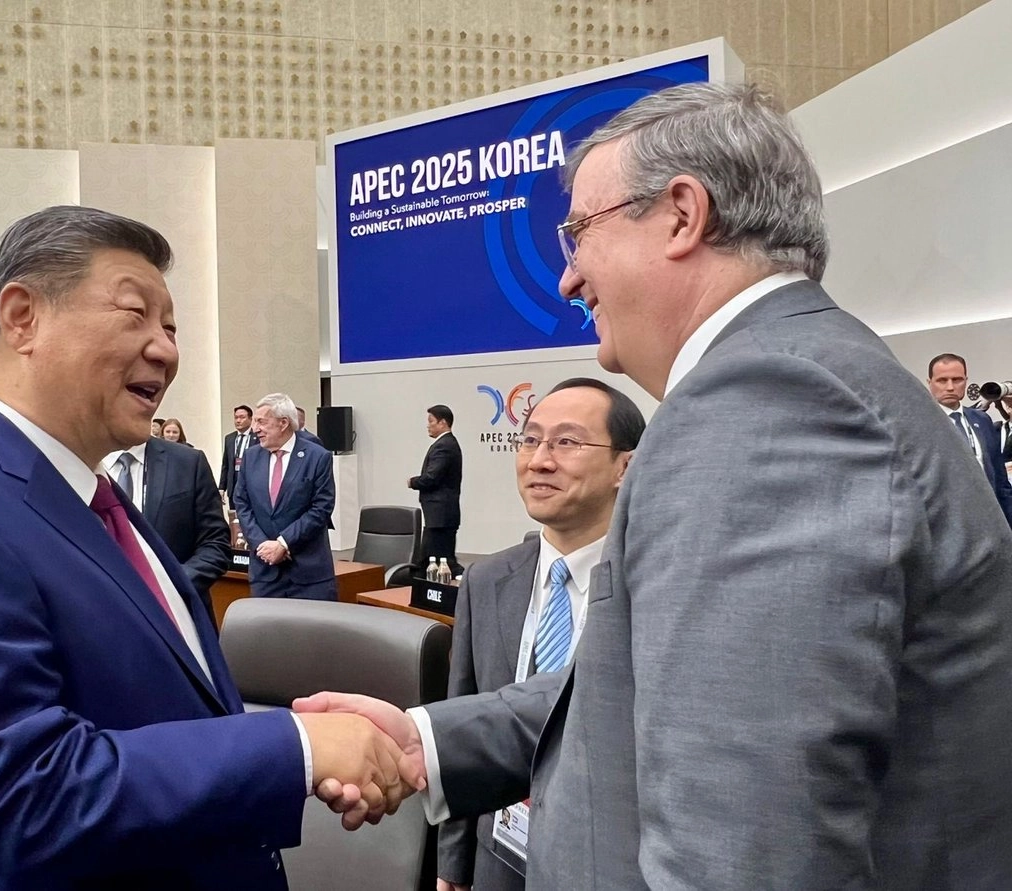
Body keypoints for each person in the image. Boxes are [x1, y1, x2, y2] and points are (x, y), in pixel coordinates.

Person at [298, 83, 1012, 889]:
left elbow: (746, 852)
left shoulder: (767, 401)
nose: (568, 280)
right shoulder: (796, 380)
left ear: (681, 214)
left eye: (577, 233)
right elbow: (660, 684)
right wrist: (419, 742)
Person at [0, 206, 410, 889]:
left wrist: (301, 736)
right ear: (22, 317)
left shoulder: (95, 502)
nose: (166, 348)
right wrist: (294, 748)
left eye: (170, 326)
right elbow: (16, 797)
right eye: (135, 314)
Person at [437, 378, 642, 891]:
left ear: (626, 466)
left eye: (567, 442)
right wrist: (454, 864)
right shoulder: (485, 581)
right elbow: (470, 724)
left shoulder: (658, 589)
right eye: (530, 440)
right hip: (499, 856)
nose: (540, 460)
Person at [234, 392, 337, 600]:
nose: (255, 429)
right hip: (265, 573)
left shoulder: (317, 457)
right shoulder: (251, 457)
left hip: (308, 575)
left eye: (261, 422)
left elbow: (322, 508)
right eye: (254, 421)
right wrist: (262, 545)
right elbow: (242, 503)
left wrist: (283, 543)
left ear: (283, 423)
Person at [105, 433, 231, 598]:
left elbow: (215, 542)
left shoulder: (188, 462)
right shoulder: (75, 464)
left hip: (174, 611)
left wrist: (173, 586)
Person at [926, 352, 1012, 527]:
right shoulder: (919, 423)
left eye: (957, 380)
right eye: (942, 380)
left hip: (991, 519)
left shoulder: (981, 419)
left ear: (966, 381)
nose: (950, 387)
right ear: (930, 383)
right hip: (946, 524)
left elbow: (1001, 480)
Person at [408, 404, 463, 577]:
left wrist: (413, 482)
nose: (428, 425)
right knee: (442, 558)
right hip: (440, 514)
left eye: (431, 421)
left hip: (440, 514)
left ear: (443, 423)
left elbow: (432, 477)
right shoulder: (447, 443)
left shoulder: (444, 445)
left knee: (437, 559)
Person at [219, 404, 258, 511]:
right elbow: (225, 464)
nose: (238, 420)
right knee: (234, 514)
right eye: (236, 417)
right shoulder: (229, 438)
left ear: (250, 419)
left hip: (251, 481)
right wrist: (222, 487)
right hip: (234, 480)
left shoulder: (257, 437)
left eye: (242, 417)